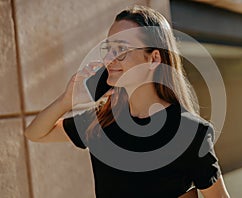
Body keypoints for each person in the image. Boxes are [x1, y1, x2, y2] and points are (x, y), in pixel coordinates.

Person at [25, 5, 230, 198]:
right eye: (108, 49)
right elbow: (36, 133)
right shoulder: (100, 121)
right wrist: (66, 101)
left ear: (154, 59)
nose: (110, 59)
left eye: (121, 50)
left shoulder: (191, 132)